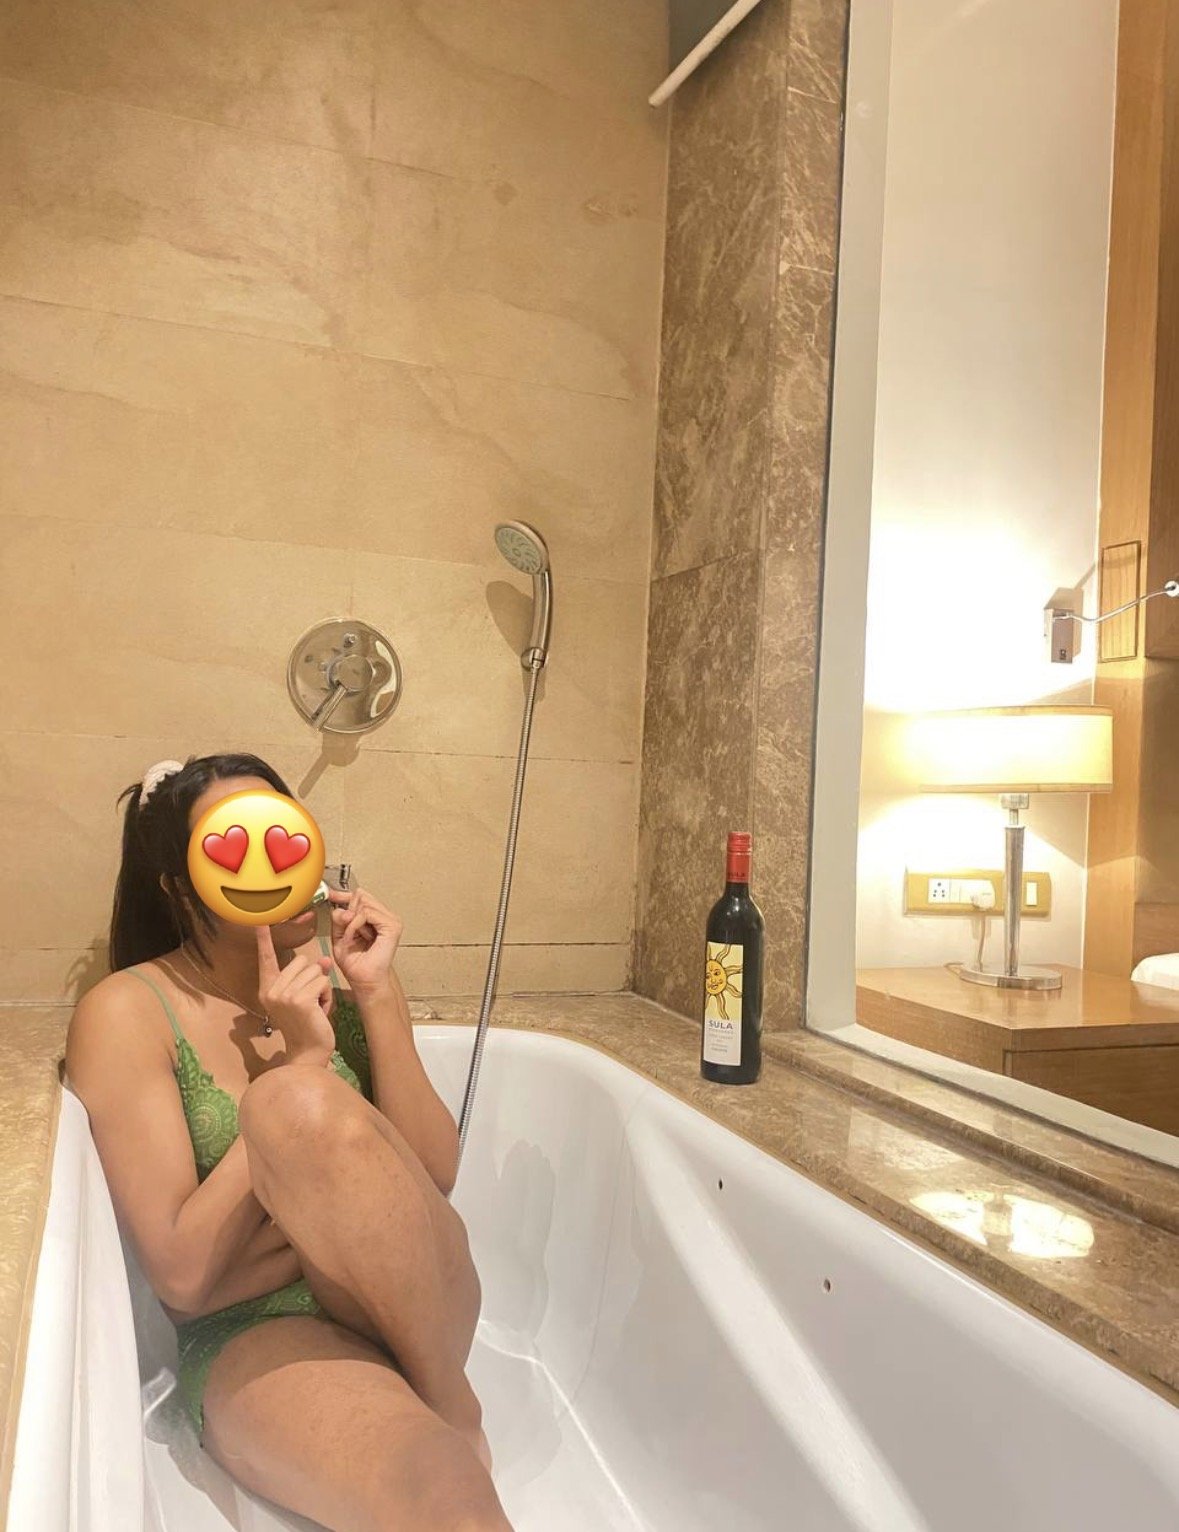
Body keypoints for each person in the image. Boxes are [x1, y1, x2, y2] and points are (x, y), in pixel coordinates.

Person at [65, 753, 513, 1532]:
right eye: (234, 845)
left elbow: (433, 1176)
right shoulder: (129, 1012)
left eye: (287, 836)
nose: (273, 862)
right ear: (181, 888)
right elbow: (185, 1276)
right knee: (447, 1493)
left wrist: (375, 994)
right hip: (260, 1330)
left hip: (416, 1313)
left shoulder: (339, 983)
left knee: (297, 1105)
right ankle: (449, 1427)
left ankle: (451, 1401)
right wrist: (302, 1067)